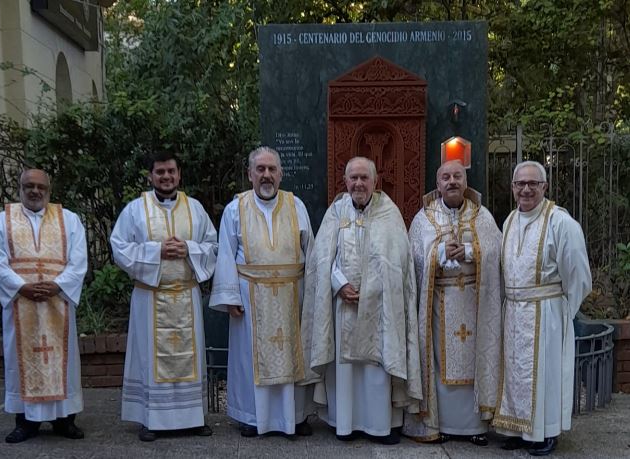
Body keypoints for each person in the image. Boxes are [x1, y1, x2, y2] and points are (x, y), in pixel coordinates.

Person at [301, 156, 422, 445]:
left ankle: (380, 426)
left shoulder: (388, 213)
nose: (358, 183)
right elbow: (320, 260)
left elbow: (399, 264)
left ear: (374, 181)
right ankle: (346, 423)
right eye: (353, 178)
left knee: (375, 371)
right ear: (345, 181)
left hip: (379, 311)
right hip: (343, 307)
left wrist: (371, 288)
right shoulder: (336, 212)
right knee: (346, 373)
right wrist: (339, 284)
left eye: (363, 178)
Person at [110, 152, 217, 442]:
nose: (166, 177)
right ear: (150, 176)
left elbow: (212, 245)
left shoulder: (195, 208)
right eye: (160, 172)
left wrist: (189, 250)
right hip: (150, 297)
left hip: (185, 295)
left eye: (171, 171)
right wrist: (156, 251)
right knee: (150, 358)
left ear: (179, 174)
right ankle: (151, 420)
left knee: (188, 358)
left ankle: (193, 418)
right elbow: (119, 248)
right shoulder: (135, 209)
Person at [209, 146, 314, 437]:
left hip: (293, 294)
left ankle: (296, 416)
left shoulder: (297, 206)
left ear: (281, 174)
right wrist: (230, 296)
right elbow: (226, 254)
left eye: (271, 170)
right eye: (260, 169)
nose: (266, 175)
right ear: (250, 174)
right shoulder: (236, 209)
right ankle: (252, 418)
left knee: (294, 355)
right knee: (249, 360)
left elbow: (311, 250)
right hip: (250, 296)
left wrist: (313, 296)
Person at [492, 161, 592, 456]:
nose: (526, 189)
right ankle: (516, 429)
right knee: (514, 374)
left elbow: (579, 275)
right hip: (513, 312)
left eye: (533, 184)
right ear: (512, 188)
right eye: (520, 184)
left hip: (544, 312)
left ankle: (544, 432)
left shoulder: (560, 222)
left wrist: (563, 312)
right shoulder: (510, 220)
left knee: (543, 376)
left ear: (544, 187)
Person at [402, 160, 502, 445]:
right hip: (439, 301)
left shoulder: (482, 216)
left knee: (473, 360)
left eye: (457, 176)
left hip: (474, 302)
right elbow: (414, 259)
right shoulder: (424, 218)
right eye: (445, 177)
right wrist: (440, 252)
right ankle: (441, 423)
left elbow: (496, 251)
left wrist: (470, 251)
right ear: (438, 184)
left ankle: (475, 428)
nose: (452, 181)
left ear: (465, 181)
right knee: (438, 364)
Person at [0, 168, 88, 443]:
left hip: (59, 302)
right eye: (29, 186)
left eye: (40, 187)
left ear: (49, 190)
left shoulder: (69, 220)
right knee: (20, 362)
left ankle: (65, 420)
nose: (35, 191)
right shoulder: (2, 221)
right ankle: (25, 422)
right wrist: (21, 287)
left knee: (63, 361)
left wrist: (59, 285)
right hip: (21, 303)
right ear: (19, 188)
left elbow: (79, 260)